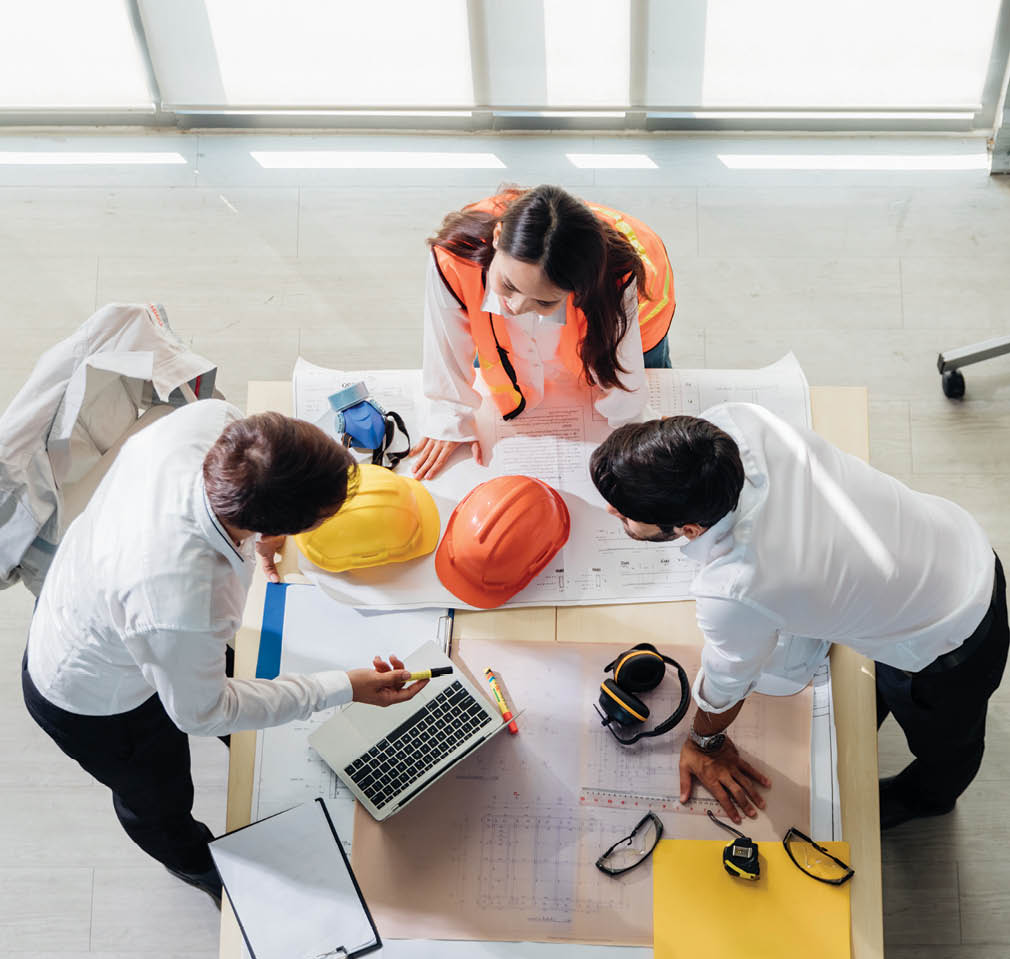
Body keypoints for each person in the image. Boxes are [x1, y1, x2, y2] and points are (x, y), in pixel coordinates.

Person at [22, 400, 428, 904]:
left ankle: (270, 752)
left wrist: (258, 536)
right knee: (157, 796)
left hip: (101, 590)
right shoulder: (185, 600)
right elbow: (204, 712)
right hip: (94, 696)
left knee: (245, 688)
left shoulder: (214, 424)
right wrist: (343, 686)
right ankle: (194, 864)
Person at [590, 403, 1007, 830]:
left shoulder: (737, 585)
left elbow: (727, 680)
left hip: (952, 633)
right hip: (952, 538)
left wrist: (705, 743)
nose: (612, 512)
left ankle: (927, 798)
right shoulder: (737, 421)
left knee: (948, 742)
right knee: (887, 694)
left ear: (690, 528)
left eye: (625, 513)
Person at [411, 185, 676, 480]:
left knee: (642, 365)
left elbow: (625, 383)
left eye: (545, 301)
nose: (516, 306)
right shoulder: (453, 260)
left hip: (643, 307)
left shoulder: (615, 279)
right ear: (498, 237)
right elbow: (446, 349)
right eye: (508, 284)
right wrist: (450, 417)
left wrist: (634, 429)